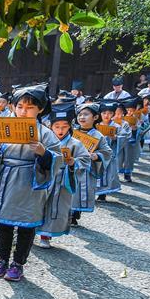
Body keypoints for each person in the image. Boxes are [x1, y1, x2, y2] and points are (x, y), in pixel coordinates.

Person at [0, 85, 61, 281]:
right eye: (19, 107)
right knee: (4, 224)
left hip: (30, 183)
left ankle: (18, 263)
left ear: (40, 109)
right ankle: (1, 259)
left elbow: (57, 159)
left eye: (29, 108)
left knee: (26, 226)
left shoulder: (45, 134)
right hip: (7, 179)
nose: (23, 111)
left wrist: (44, 153)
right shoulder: (5, 127)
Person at [36, 106, 92, 248]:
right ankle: (30, 232)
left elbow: (85, 160)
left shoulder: (75, 143)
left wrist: (73, 163)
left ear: (70, 127)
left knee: (55, 209)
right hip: (45, 177)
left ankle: (46, 236)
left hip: (63, 180)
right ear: (51, 126)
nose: (60, 130)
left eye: (64, 126)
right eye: (57, 126)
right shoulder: (44, 139)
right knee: (37, 206)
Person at [69, 102, 112, 225]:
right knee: (70, 190)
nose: (82, 117)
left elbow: (107, 151)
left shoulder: (98, 135)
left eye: (86, 114)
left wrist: (96, 155)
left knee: (80, 191)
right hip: (72, 165)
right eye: (80, 114)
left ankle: (75, 213)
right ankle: (70, 212)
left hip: (87, 169)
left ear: (95, 117)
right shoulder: (72, 131)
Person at [96, 100, 125, 200]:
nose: (106, 116)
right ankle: (96, 192)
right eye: (104, 113)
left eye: (109, 113)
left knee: (107, 174)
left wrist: (116, 138)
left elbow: (124, 137)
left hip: (109, 154)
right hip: (97, 154)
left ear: (113, 114)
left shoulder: (117, 126)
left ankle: (103, 194)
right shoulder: (96, 126)